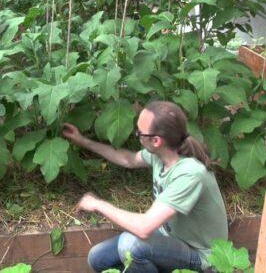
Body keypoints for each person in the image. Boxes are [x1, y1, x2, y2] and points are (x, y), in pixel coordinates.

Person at [62, 101, 228, 272]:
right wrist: (83, 141)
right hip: (170, 238)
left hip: (202, 256)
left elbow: (144, 228)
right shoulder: (162, 154)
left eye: (139, 133)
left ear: (156, 141)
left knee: (130, 245)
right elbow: (128, 159)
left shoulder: (189, 174)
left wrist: (99, 204)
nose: (137, 135)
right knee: (98, 258)